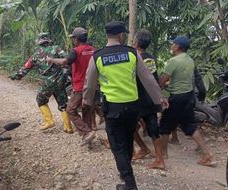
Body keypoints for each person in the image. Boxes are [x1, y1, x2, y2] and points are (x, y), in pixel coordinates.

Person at [83, 21, 168, 190]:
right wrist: (160, 98)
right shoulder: (132, 53)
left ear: (107, 35)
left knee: (117, 145)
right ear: (121, 35)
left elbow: (89, 84)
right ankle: (125, 173)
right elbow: (148, 79)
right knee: (128, 140)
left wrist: (86, 101)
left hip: (113, 108)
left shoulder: (98, 56)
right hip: (132, 108)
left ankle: (130, 184)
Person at [158, 35, 216, 167]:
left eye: (173, 44)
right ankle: (208, 154)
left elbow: (162, 81)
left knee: (164, 126)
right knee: (190, 126)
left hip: (177, 97)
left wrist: (161, 87)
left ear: (178, 46)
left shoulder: (174, 61)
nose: (171, 46)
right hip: (188, 97)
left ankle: (163, 154)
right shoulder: (190, 60)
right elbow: (183, 79)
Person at [10, 33, 73, 133]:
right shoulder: (57, 49)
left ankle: (49, 121)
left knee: (41, 100)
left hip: (47, 83)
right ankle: (68, 127)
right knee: (63, 103)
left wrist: (16, 76)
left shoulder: (35, 55)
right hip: (60, 81)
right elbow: (67, 60)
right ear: (48, 41)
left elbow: (26, 68)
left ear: (39, 42)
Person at [46, 27, 96, 145]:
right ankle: (87, 138)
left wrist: (51, 59)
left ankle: (87, 132)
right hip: (93, 86)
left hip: (80, 87)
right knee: (87, 111)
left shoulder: (76, 51)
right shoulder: (93, 50)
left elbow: (65, 61)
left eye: (73, 38)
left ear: (77, 39)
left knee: (70, 110)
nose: (73, 40)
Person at [131, 29, 165, 170]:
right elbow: (153, 78)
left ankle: (143, 149)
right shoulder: (151, 58)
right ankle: (159, 159)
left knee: (130, 127)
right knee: (153, 129)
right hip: (151, 98)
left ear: (136, 42)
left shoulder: (133, 58)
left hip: (138, 98)